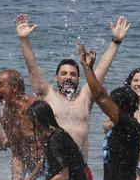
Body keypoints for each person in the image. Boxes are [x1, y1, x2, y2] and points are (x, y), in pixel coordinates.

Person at [16, 14, 130, 163]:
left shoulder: (85, 97)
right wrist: (24, 40)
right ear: (56, 77)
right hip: (55, 169)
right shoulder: (48, 95)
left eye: (73, 74)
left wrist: (116, 41)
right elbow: (32, 68)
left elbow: (102, 69)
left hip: (81, 169)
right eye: (63, 74)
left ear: (79, 78)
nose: (68, 77)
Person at [78, 45, 140, 180]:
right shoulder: (125, 128)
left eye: (111, 106)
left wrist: (87, 68)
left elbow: (100, 96)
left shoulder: (128, 124)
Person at [23, 100, 101, 180]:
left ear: (36, 120)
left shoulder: (57, 139)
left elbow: (64, 176)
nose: (27, 125)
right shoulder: (52, 136)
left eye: (29, 120)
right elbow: (45, 163)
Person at [0, 68, 44, 180]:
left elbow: (50, 148)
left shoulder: (36, 108)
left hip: (50, 170)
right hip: (31, 172)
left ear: (14, 88)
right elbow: (17, 153)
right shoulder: (5, 115)